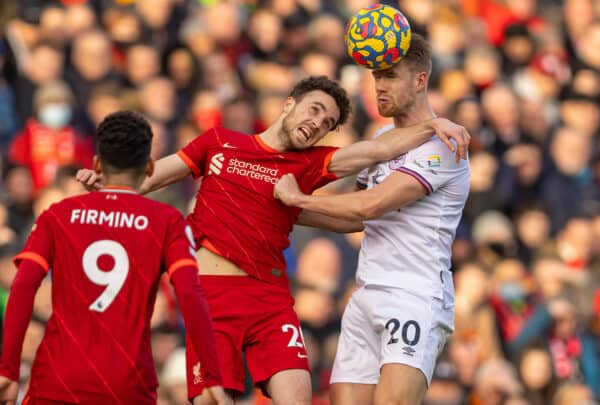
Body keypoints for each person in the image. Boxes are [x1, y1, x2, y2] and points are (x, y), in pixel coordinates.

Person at [77, 75, 470, 404]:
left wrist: (434, 126)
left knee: (297, 395)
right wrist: (109, 184)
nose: (318, 123)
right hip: (212, 296)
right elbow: (154, 176)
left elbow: (377, 148)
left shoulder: (309, 164)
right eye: (314, 110)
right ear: (288, 104)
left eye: (327, 123)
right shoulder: (219, 143)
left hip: (271, 299)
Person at [274, 35, 471, 405]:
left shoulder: (445, 145)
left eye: (391, 76)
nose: (380, 85)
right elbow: (353, 217)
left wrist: (296, 199)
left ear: (420, 80)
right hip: (366, 292)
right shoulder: (384, 137)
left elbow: (371, 205)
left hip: (414, 295)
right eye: (376, 76)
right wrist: (278, 208)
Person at [0, 111, 228, 405]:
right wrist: (209, 375)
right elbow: (189, 292)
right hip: (127, 386)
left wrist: (8, 369)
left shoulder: (58, 215)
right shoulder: (167, 221)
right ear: (148, 167)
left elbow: (23, 285)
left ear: (96, 163)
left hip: (56, 382)